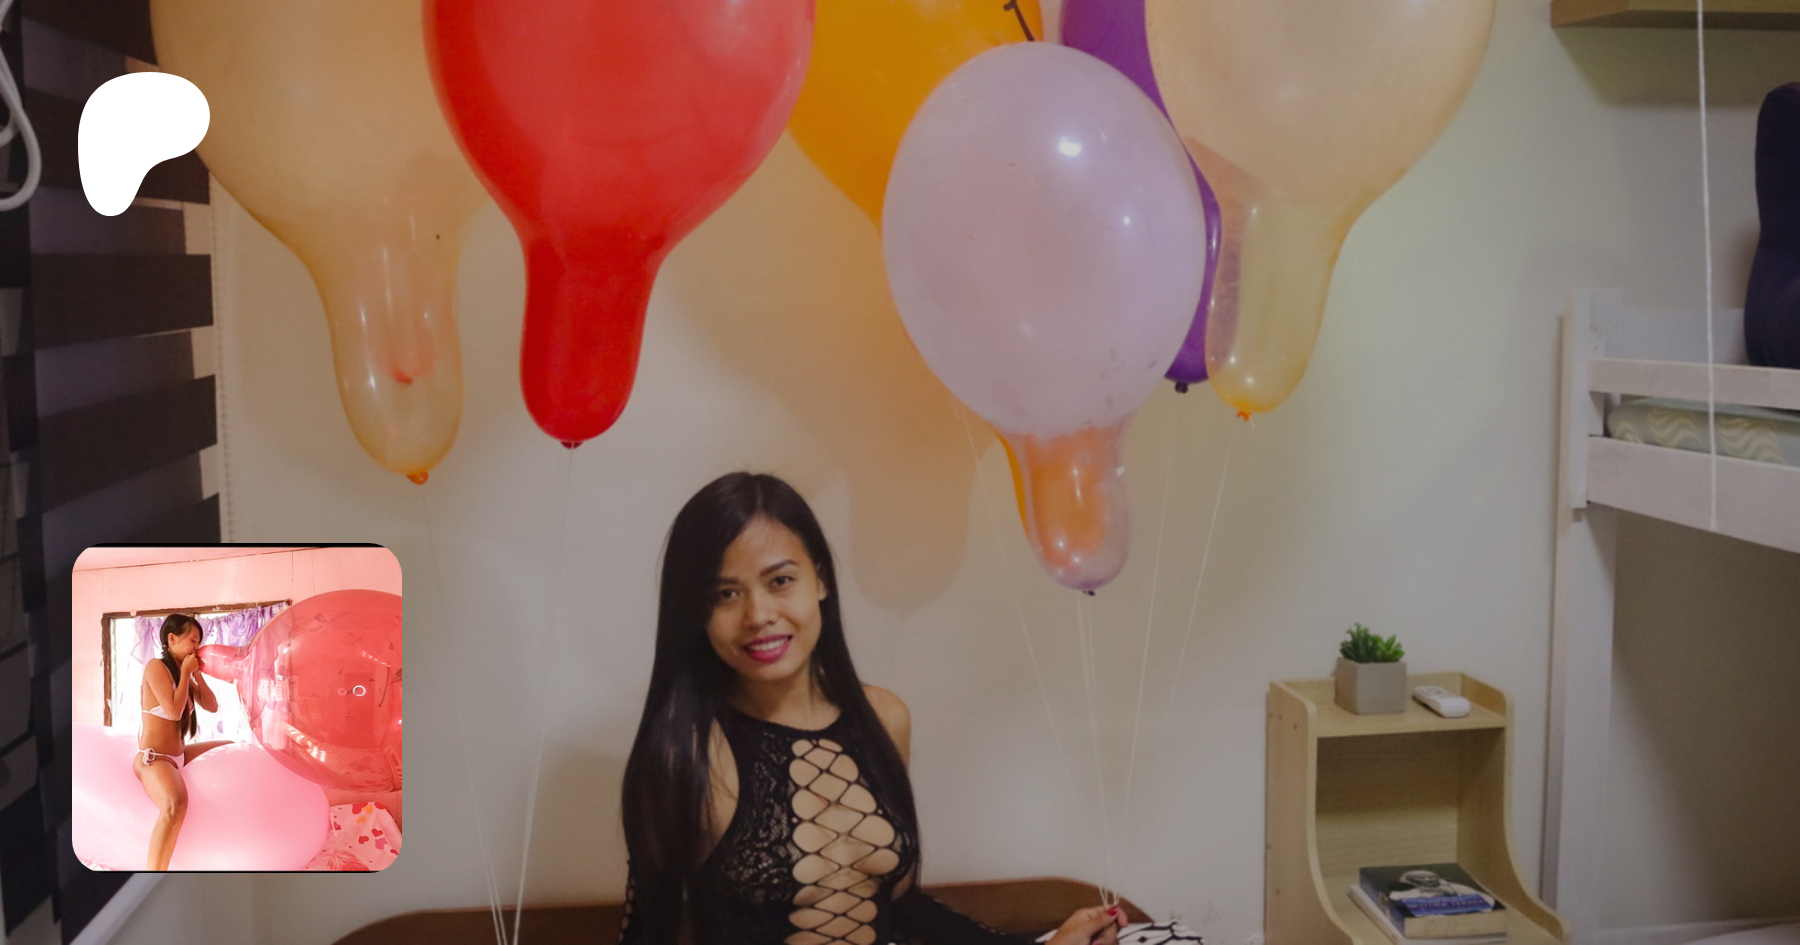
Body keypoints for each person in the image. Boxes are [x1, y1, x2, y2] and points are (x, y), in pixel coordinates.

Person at [619, 472, 1127, 945]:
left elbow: (899, 905)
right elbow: (649, 930)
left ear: (820, 581)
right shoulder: (685, 755)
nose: (758, 615)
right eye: (726, 594)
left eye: (780, 581)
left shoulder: (884, 718)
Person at [135, 614, 231, 870]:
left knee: (230, 746)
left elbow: (211, 706)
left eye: (199, 642)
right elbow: (174, 712)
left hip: (178, 755)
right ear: (172, 638)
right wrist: (187, 673)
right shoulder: (156, 667)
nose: (197, 648)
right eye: (193, 640)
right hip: (155, 758)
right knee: (175, 805)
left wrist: (197, 676)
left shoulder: (184, 675)